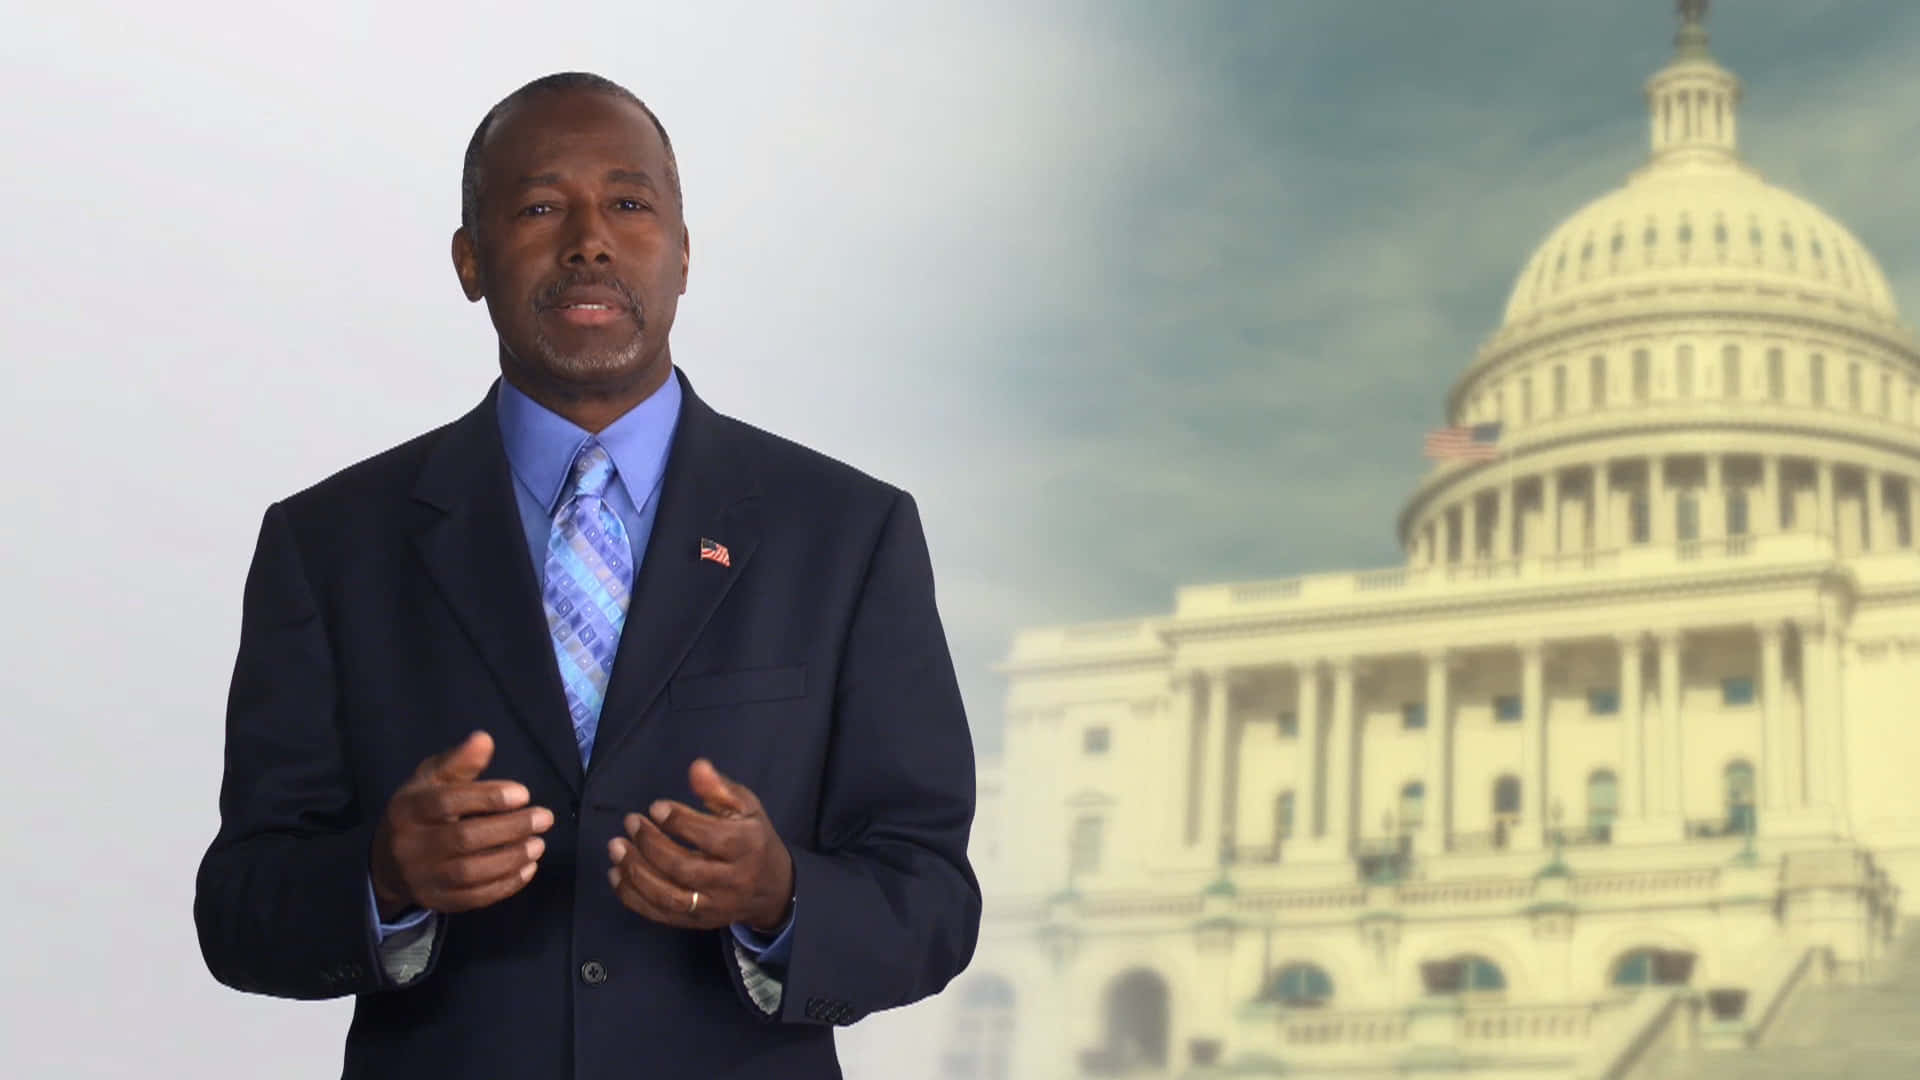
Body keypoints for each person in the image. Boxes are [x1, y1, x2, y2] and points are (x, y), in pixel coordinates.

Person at [193, 72, 981, 1079]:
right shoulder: (329, 543)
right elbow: (240, 910)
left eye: (629, 204)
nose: (589, 242)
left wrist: (781, 896)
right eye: (538, 208)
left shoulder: (848, 534)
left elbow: (932, 899)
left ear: (684, 254)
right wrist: (382, 879)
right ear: (469, 260)